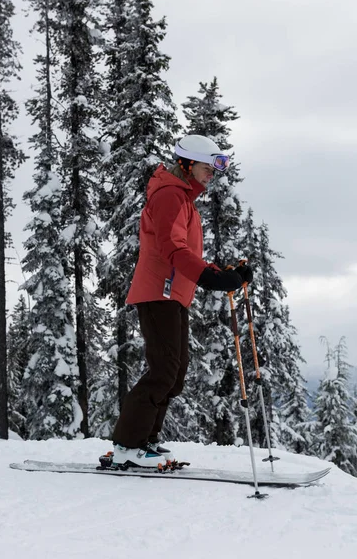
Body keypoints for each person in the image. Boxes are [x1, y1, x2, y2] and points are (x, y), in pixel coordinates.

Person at [112, 134, 253, 468]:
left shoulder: (183, 199)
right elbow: (171, 248)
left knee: (174, 374)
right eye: (208, 167)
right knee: (163, 369)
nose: (212, 175)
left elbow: (185, 252)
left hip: (174, 293)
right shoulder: (170, 195)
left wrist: (223, 273)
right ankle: (127, 446)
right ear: (188, 163)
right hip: (158, 291)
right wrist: (209, 277)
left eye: (216, 169)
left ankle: (144, 440)